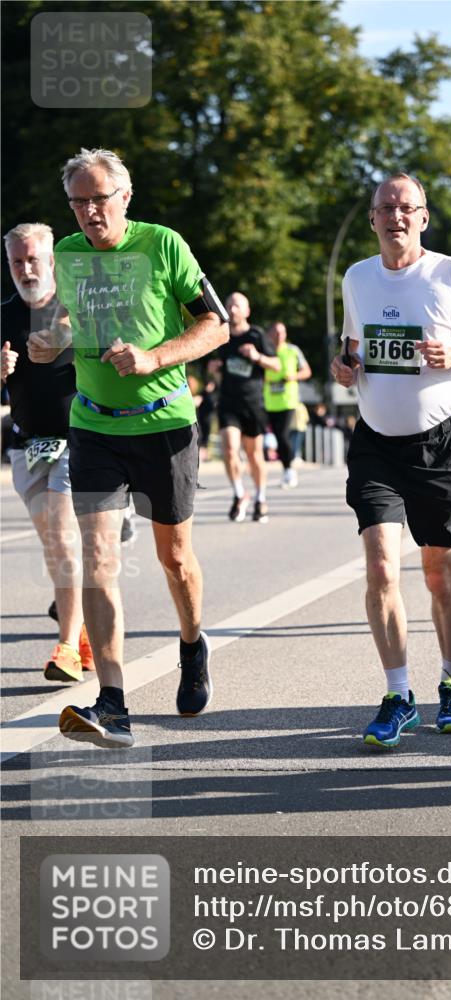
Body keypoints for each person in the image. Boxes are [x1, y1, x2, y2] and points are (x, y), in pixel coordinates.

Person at [29, 147, 229, 748]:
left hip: (163, 422)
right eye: (78, 201)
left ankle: (192, 644)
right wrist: (52, 343)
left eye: (99, 199)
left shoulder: (163, 245)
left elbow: (214, 324)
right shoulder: (66, 253)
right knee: (98, 559)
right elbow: (70, 321)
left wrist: (154, 358)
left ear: (125, 197)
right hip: (93, 424)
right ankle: (112, 703)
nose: (89, 211)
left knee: (174, 560)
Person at [330, 172, 451, 749]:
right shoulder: (357, 277)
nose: (396, 217)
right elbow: (354, 346)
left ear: (423, 217)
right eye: (386, 208)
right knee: (381, 567)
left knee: (438, 573)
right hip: (375, 440)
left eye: (407, 208)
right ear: (374, 217)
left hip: (438, 443)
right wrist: (345, 366)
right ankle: (398, 694)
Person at [2, 222, 95, 682]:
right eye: (16, 261)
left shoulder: (78, 309)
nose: (25, 269)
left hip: (78, 438)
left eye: (33, 259)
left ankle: (66, 650)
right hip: (27, 444)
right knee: (53, 542)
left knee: (61, 536)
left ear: (52, 260)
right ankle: (82, 632)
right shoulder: (3, 316)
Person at [217, 292, 279, 523]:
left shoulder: (257, 335)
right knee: (230, 449)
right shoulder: (220, 336)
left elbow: (276, 364)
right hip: (228, 402)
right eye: (229, 305)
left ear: (247, 311)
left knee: (254, 455)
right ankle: (238, 494)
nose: (232, 310)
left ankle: (261, 498)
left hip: (253, 404)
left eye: (237, 306)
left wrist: (257, 356)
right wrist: (214, 367)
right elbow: (214, 364)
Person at [264, 321, 312, 488]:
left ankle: (289, 470)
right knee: (277, 436)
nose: (279, 336)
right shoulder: (265, 351)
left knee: (283, 435)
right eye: (276, 332)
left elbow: (307, 371)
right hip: (269, 401)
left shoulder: (292, 350)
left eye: (282, 332)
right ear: (269, 334)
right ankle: (286, 469)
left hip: (289, 401)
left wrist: (294, 377)